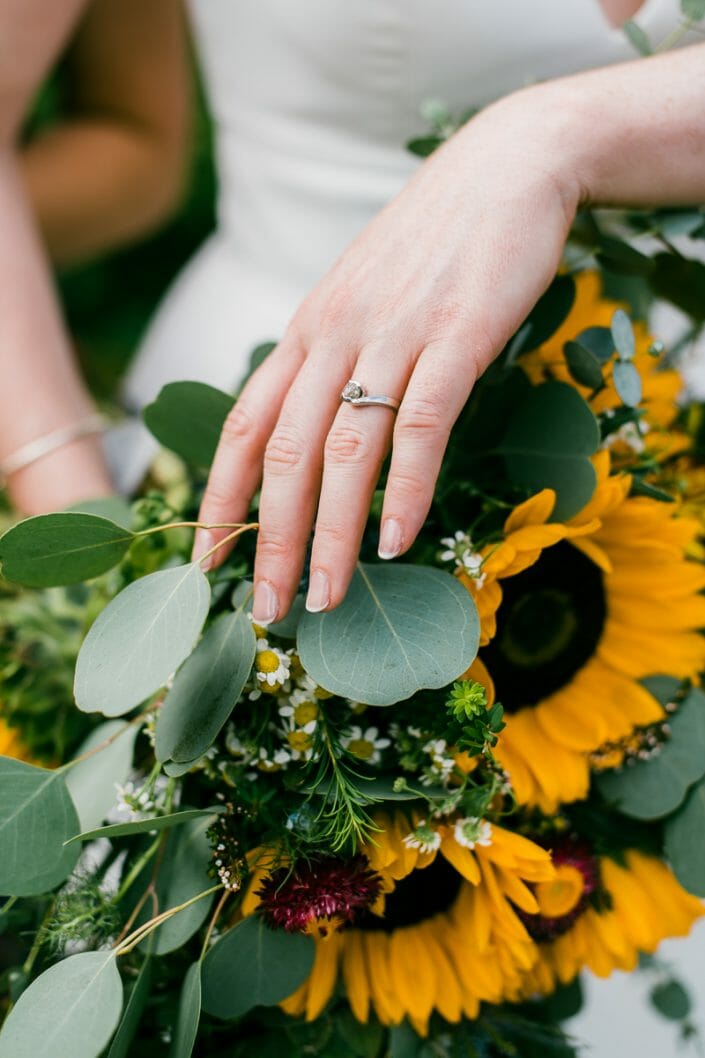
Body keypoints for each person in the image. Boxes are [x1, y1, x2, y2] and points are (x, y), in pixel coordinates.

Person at [3, 0, 705, 624]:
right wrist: (90, 539)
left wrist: (544, 137)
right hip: (262, 441)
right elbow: (124, 147)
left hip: (680, 396)